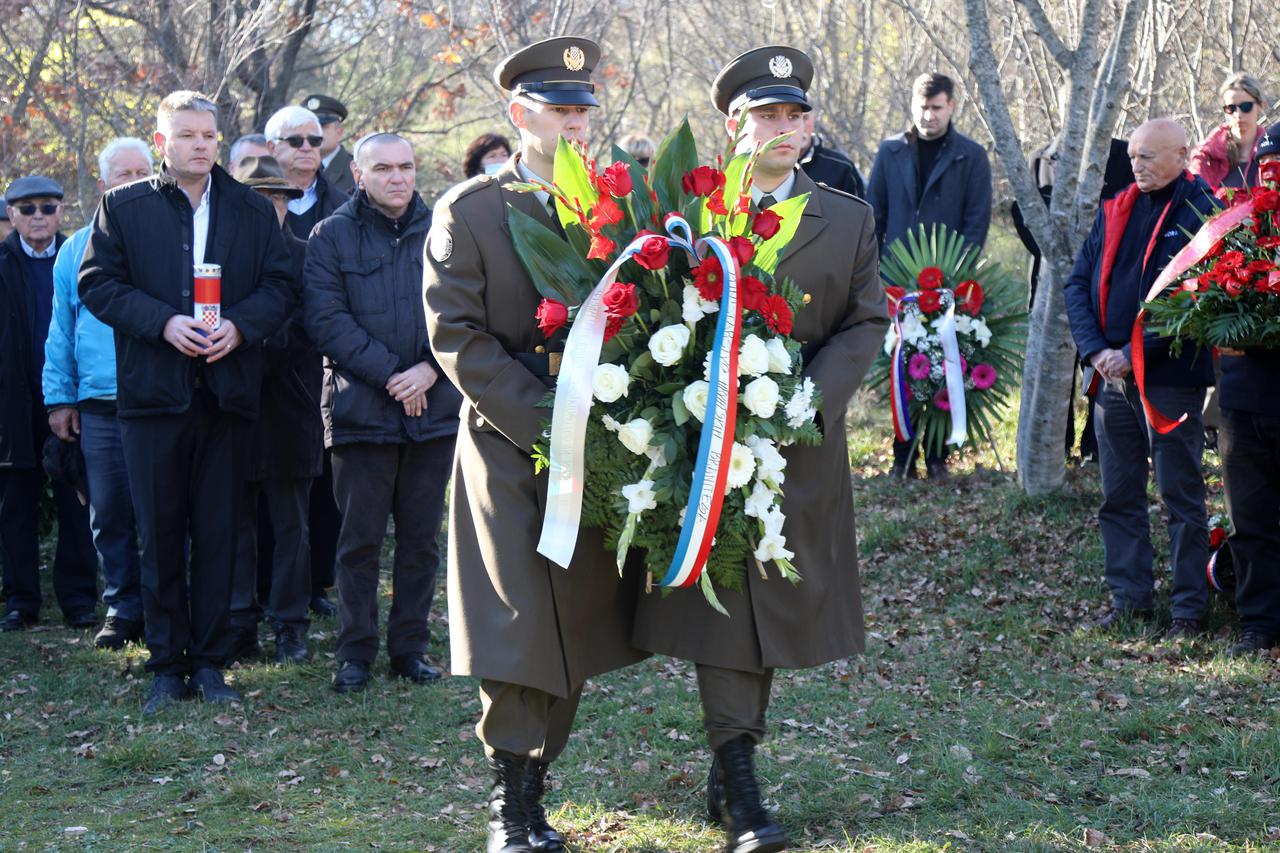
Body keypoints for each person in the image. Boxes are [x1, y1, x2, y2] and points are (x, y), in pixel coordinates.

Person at [631, 46, 889, 853]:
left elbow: (866, 321)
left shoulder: (847, 215)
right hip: (701, 436)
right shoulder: (689, 216)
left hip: (799, 442)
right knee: (722, 603)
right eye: (766, 116)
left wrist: (807, 396)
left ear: (810, 126)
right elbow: (644, 311)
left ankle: (730, 754)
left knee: (770, 598)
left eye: (795, 115)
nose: (783, 129)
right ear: (733, 126)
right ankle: (742, 782)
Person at [423, 37, 647, 853]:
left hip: (605, 443)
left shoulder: (617, 208)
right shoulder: (470, 210)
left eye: (585, 109)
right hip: (510, 445)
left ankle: (540, 783)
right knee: (518, 625)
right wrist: (546, 418)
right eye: (561, 109)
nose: (578, 123)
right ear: (520, 114)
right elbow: (459, 338)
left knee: (578, 616)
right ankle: (509, 807)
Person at [79, 90, 294, 714]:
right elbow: (98, 284)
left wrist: (242, 327)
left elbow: (282, 285)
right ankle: (166, 665)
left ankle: (211, 663)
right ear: (161, 140)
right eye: (187, 135)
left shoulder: (251, 209)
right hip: (153, 397)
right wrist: (164, 323)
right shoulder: (124, 206)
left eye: (208, 134)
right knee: (161, 533)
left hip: (227, 397)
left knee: (222, 532)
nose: (200, 145)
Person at [304, 132, 458, 694]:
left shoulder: (446, 234)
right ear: (358, 173)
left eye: (406, 167)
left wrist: (429, 372)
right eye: (384, 168)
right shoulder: (331, 236)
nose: (398, 177)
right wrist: (394, 375)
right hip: (360, 412)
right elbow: (326, 321)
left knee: (421, 542)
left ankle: (410, 649)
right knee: (359, 541)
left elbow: (463, 310)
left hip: (433, 410)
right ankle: (355, 652)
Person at [1063, 119, 1217, 638]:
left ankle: (1189, 611)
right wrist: (1096, 351)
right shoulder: (1117, 209)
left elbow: (1199, 299)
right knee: (1119, 494)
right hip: (1111, 378)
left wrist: (1133, 352)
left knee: (1181, 495)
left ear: (1182, 154)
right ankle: (1130, 600)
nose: (1138, 166)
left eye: (1149, 157)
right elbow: (1077, 282)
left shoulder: (1204, 211)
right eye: (1133, 157)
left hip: (1169, 379)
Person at [43, 138, 154, 649]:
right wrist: (60, 398)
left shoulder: (172, 240)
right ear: (105, 183)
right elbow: (61, 330)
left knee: (162, 511)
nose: (132, 180)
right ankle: (122, 606)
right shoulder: (75, 248)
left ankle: (164, 605)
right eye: (122, 173)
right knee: (107, 512)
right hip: (99, 403)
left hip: (160, 399)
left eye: (142, 171)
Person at [868, 72, 992, 481]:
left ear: (951, 106)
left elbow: (977, 220)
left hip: (949, 279)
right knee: (902, 363)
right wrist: (876, 269)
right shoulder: (891, 152)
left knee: (943, 363)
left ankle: (937, 456)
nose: (928, 116)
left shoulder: (970, 156)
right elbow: (875, 213)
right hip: (898, 279)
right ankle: (902, 457)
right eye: (922, 107)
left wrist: (963, 275)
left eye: (936, 107)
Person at [227, 156, 322, 665]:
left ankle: (290, 623)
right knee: (233, 522)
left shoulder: (307, 256)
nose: (270, 207)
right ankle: (240, 621)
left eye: (279, 198)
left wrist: (247, 341)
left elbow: (310, 326)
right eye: (259, 199)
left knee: (292, 526)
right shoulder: (219, 260)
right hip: (233, 410)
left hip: (290, 407)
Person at [1, 177, 99, 632]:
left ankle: (79, 599)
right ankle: (21, 601)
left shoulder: (84, 254)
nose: (37, 216)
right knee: (15, 506)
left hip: (72, 401)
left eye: (47, 206)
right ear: (12, 215)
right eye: (26, 208)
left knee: (76, 501)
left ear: (62, 210)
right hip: (12, 405)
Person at [1010, 136, 1135, 463]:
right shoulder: (1042, 158)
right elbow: (1024, 214)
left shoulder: (1124, 156)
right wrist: (1053, 255)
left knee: (1097, 364)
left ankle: (1096, 446)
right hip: (1051, 285)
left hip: (1105, 284)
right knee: (1053, 366)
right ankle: (1055, 446)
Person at [265, 105, 349, 241]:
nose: (307, 148)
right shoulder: (250, 202)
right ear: (272, 147)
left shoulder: (344, 206)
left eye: (314, 141)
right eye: (295, 141)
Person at [1190, 73, 1268, 191]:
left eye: (1246, 106)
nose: (1238, 114)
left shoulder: (1272, 153)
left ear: (1261, 106)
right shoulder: (1205, 158)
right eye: (1230, 109)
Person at [797, 106, 865, 198]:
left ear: (814, 119)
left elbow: (859, 210)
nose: (799, 126)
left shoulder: (842, 168)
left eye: (805, 117)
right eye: (792, 117)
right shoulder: (771, 165)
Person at [302, 94, 356, 195]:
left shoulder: (356, 169)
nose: (316, 132)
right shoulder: (297, 166)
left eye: (322, 126)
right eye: (310, 127)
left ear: (339, 132)